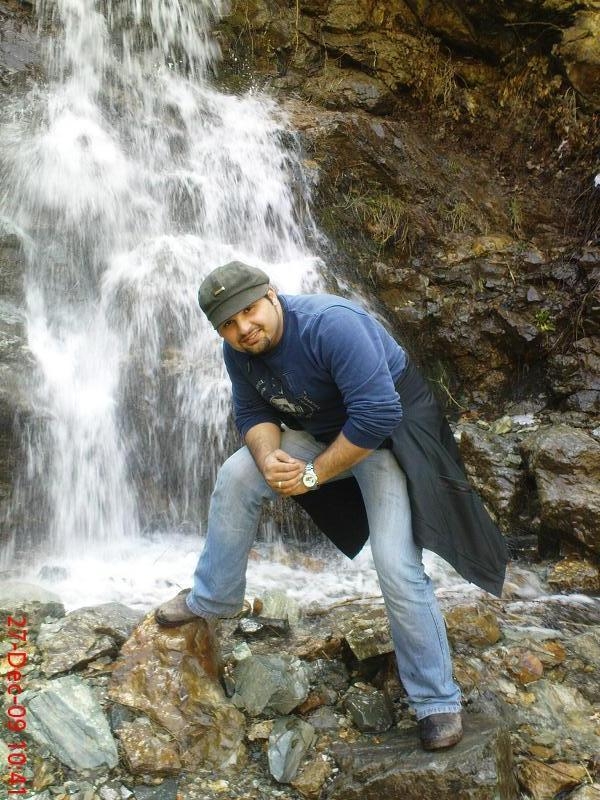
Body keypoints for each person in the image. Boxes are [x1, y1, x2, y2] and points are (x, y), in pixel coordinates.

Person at [155, 260, 510, 751]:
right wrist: (269, 457)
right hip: (324, 435)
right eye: (229, 324)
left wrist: (312, 474)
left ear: (271, 294)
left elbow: (378, 412)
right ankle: (212, 598)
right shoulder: (238, 351)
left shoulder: (331, 325)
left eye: (249, 311)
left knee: (395, 564)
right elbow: (253, 412)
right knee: (237, 475)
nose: (244, 328)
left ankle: (436, 701)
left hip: (388, 439)